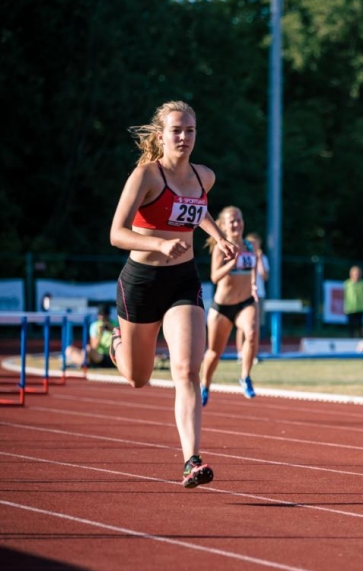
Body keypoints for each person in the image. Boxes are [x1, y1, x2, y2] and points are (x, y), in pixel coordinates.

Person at [108, 100, 237, 489]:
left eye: (190, 130)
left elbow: (196, 212)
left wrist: (219, 238)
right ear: (161, 135)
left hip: (183, 281)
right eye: (176, 130)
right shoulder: (146, 176)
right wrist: (159, 247)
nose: (183, 137)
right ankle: (113, 343)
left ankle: (191, 460)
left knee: (186, 369)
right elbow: (116, 232)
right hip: (142, 282)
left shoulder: (204, 177)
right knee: (137, 377)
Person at [200, 205, 260, 405]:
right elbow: (214, 277)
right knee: (214, 352)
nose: (236, 224)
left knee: (251, 333)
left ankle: (245, 376)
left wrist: (253, 286)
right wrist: (231, 264)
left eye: (239, 219)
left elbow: (253, 269)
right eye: (232, 221)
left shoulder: (251, 246)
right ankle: (205, 385)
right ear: (223, 226)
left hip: (245, 303)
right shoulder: (220, 248)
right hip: (222, 308)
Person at [241, 232, 269, 357]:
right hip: (244, 293)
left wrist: (259, 260)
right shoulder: (243, 255)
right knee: (242, 326)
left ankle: (253, 353)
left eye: (256, 244)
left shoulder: (263, 258)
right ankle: (240, 353)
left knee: (255, 326)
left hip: (259, 294)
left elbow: (265, 276)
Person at [65, 304, 116, 369]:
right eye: (101, 316)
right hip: (95, 354)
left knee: (88, 349)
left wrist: (111, 329)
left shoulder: (115, 324)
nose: (103, 318)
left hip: (107, 356)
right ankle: (85, 362)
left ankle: (84, 363)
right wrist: (100, 334)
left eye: (105, 316)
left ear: (109, 315)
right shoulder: (94, 326)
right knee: (69, 350)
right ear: (98, 316)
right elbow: (94, 346)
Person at [343, 266, 363, 338]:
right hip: (350, 308)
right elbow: (344, 295)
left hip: (360, 308)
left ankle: (360, 339)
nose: (356, 275)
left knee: (359, 326)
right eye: (355, 274)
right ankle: (350, 339)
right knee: (350, 326)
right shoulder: (347, 283)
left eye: (358, 274)